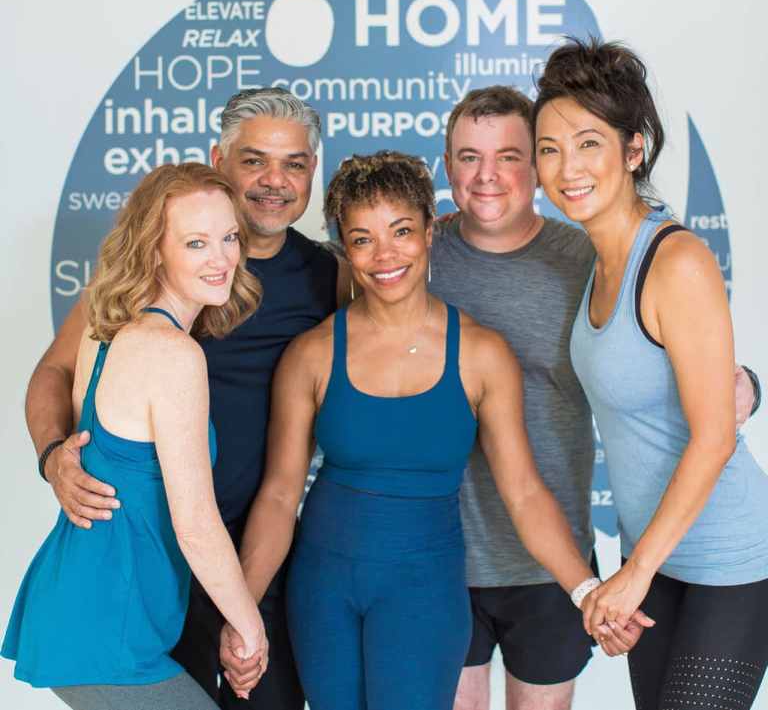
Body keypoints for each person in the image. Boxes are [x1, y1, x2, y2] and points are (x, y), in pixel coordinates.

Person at [221, 151, 637, 710]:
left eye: (401, 231)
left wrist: (587, 591)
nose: (385, 255)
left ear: (429, 233)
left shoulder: (481, 354)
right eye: (363, 239)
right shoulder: (312, 354)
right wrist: (241, 611)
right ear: (345, 248)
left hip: (425, 588)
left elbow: (523, 492)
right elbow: (277, 496)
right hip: (323, 586)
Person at [434, 86, 761, 710]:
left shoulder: (600, 256)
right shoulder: (413, 256)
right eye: (469, 157)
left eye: (511, 155)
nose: (487, 175)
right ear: (447, 166)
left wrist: (747, 383)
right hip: (455, 554)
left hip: (586, 561)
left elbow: (699, 388)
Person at [23, 88, 347, 709]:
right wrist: (53, 455)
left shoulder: (327, 276)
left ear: (313, 171)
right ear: (218, 162)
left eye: (294, 164)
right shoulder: (139, 298)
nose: (274, 181)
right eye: (254, 160)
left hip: (249, 554)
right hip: (153, 560)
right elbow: (56, 371)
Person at [533, 37, 768, 710]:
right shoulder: (596, 261)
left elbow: (714, 437)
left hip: (727, 561)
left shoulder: (675, 261)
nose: (567, 168)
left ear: (633, 150)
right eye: (549, 148)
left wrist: (633, 573)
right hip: (655, 559)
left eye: (588, 143)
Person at [2, 163, 266, 709]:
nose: (221, 258)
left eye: (229, 237)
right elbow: (195, 524)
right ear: (155, 250)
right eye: (196, 242)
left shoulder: (105, 330)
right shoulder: (173, 353)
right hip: (106, 631)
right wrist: (249, 627)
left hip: (84, 610)